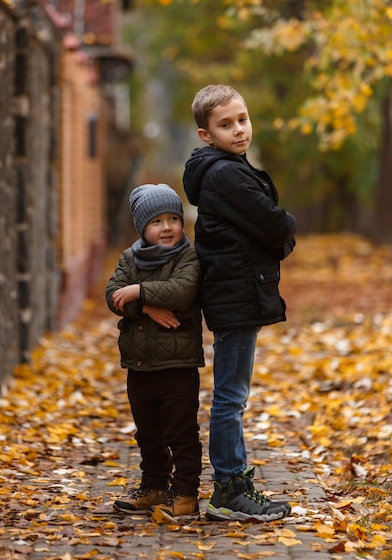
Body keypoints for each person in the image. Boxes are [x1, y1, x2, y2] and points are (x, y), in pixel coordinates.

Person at [183, 84, 297, 522]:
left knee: (234, 393)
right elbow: (273, 223)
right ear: (205, 134)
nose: (239, 130)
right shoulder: (225, 173)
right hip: (235, 295)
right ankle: (229, 489)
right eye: (226, 125)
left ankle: (234, 483)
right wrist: (286, 229)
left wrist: (277, 235)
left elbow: (264, 230)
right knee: (231, 396)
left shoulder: (227, 167)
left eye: (242, 120)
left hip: (239, 292)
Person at [105, 183, 204, 521]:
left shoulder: (188, 257)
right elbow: (113, 296)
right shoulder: (130, 258)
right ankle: (154, 486)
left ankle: (186, 492)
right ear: (142, 228)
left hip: (178, 365)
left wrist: (139, 291)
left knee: (181, 432)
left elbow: (182, 291)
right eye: (157, 221)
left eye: (173, 218)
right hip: (140, 363)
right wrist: (144, 308)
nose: (167, 227)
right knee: (147, 431)